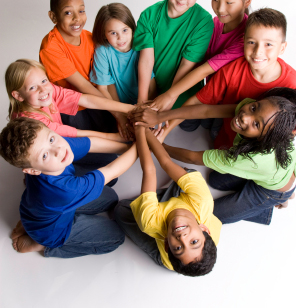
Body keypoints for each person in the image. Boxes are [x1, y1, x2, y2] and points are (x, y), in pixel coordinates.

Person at [135, 8, 296, 149]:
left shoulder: (291, 84)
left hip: (259, 153)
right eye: (252, 42)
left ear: (282, 48)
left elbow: (289, 133)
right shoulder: (232, 70)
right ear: (243, 42)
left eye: (268, 44)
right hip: (226, 135)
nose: (258, 52)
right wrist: (165, 131)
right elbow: (198, 103)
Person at [0, 117, 138, 258]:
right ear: (32, 170)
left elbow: (91, 144)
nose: (58, 150)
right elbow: (111, 170)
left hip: (38, 211)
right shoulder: (66, 190)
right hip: (52, 232)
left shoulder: (55, 146)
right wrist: (142, 146)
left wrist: (130, 147)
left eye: (51, 139)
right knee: (116, 237)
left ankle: (29, 224)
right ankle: (44, 246)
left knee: (111, 198)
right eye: (45, 155)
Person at [158, 94, 296, 225]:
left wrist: (159, 145)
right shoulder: (263, 118)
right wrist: (161, 116)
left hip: (271, 192)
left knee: (207, 215)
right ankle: (284, 194)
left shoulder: (248, 158)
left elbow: (192, 158)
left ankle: (271, 205)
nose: (245, 117)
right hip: (276, 171)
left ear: (264, 139)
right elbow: (207, 111)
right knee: (214, 180)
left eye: (256, 124)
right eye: (254, 108)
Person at [150, 0, 253, 125]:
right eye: (215, 0)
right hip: (206, 96)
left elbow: (203, 70)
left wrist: (170, 95)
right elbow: (194, 59)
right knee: (191, 126)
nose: (220, 8)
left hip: (230, 106)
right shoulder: (214, 24)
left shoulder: (247, 38)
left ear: (247, 1)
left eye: (229, 2)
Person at [114, 125, 221, 276]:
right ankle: (165, 196)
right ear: (204, 229)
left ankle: (163, 197)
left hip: (164, 246)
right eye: (194, 242)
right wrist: (146, 131)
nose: (182, 238)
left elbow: (149, 170)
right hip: (193, 208)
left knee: (120, 211)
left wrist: (139, 132)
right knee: (188, 174)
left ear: (166, 244)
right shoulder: (203, 201)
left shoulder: (150, 222)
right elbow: (165, 162)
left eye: (178, 248)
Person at [5, 59, 135, 175]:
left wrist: (129, 108)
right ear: (18, 96)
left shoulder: (47, 89)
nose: (43, 89)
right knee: (108, 163)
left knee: (108, 157)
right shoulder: (32, 120)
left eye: (44, 81)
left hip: (56, 140)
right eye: (32, 88)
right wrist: (119, 137)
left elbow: (85, 100)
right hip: (51, 154)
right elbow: (76, 134)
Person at [133, 0, 213, 109]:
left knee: (189, 127)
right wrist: (141, 101)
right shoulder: (149, 15)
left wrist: (168, 102)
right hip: (153, 90)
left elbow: (186, 66)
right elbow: (146, 61)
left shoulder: (203, 22)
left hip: (183, 97)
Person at [39, 0, 119, 139]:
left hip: (97, 99)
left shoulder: (90, 37)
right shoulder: (50, 47)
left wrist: (117, 109)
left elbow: (106, 77)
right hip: (73, 108)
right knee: (95, 151)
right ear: (53, 16)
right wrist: (117, 112)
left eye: (81, 11)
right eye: (68, 12)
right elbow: (83, 86)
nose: (77, 19)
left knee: (121, 135)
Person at [89, 3, 156, 140]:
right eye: (113, 33)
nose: (120, 38)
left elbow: (152, 82)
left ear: (132, 28)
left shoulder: (141, 45)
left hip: (143, 102)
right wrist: (120, 115)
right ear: (104, 34)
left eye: (125, 30)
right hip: (118, 106)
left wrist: (149, 108)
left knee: (147, 134)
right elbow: (103, 88)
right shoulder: (103, 51)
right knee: (124, 137)